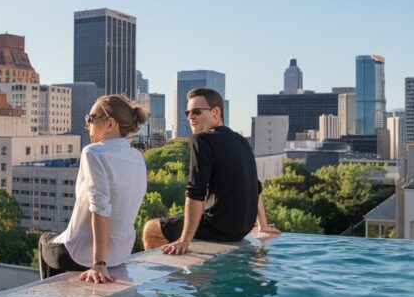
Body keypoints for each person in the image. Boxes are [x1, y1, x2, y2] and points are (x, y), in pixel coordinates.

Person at [38, 95, 148, 283]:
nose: (87, 125)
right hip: (121, 253)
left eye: (91, 119)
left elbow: (100, 208)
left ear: (110, 123)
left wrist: (99, 264)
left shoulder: (94, 152)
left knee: (45, 240)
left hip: (84, 255)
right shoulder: (137, 156)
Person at [142, 87, 263, 254]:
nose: (191, 116)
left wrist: (184, 240)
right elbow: (256, 187)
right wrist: (262, 225)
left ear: (215, 112)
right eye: (188, 113)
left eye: (197, 112)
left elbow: (195, 191)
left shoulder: (202, 139)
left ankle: (171, 275)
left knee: (151, 229)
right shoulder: (241, 140)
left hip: (220, 227)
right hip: (242, 229)